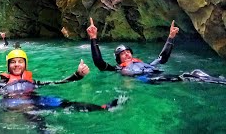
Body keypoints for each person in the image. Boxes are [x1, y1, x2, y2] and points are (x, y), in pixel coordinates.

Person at [0, 44, 126, 111]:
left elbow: (58, 82)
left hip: (35, 100)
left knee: (66, 103)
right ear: (8, 66)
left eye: (20, 62)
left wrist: (77, 75)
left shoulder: (33, 82)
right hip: (15, 106)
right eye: (13, 62)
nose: (16, 65)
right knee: (37, 119)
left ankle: (102, 109)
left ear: (25, 65)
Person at [86, 18, 226, 84]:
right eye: (122, 54)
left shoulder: (143, 63)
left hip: (154, 73)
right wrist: (93, 38)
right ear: (118, 59)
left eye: (128, 52)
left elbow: (162, 58)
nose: (127, 54)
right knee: (189, 76)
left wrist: (170, 37)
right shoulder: (116, 68)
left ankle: (219, 79)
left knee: (195, 73)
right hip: (146, 79)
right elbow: (99, 63)